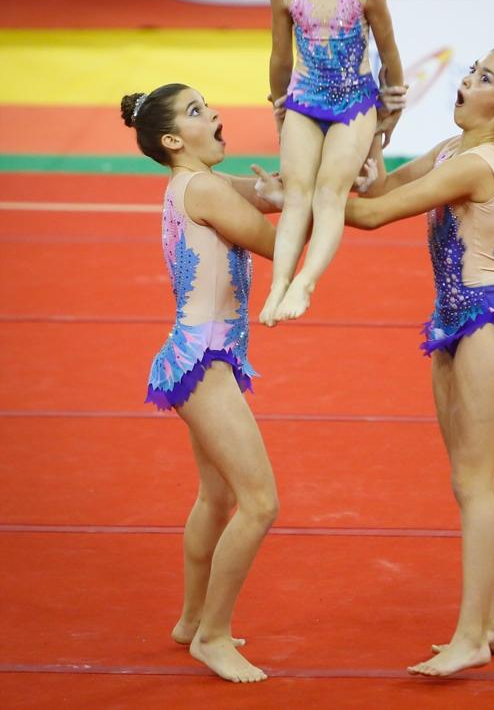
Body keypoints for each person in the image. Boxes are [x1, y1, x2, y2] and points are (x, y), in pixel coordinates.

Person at [343, 43, 494, 677]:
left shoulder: (478, 164)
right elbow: (376, 187)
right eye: (471, 70)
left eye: (484, 78)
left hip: (489, 320)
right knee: (469, 484)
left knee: (475, 482)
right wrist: (374, 132)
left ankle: (472, 637)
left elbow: (374, 215)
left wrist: (295, 198)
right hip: (450, 324)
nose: (467, 80)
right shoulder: (448, 151)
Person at [120, 83, 280, 684]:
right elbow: (270, 240)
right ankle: (212, 636)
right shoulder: (205, 188)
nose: (212, 114)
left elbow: (260, 200)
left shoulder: (193, 184)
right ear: (170, 140)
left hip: (204, 357)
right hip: (204, 361)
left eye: (206, 105)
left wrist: (287, 190)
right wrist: (325, 200)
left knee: (217, 499)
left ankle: (191, 619)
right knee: (260, 503)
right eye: (195, 112)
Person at [260, 0, 404, 326]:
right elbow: (280, 57)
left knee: (329, 193)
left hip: (354, 103)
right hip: (304, 98)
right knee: (296, 193)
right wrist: (279, 106)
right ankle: (279, 283)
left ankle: (305, 282)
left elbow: (389, 52)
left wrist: (390, 114)